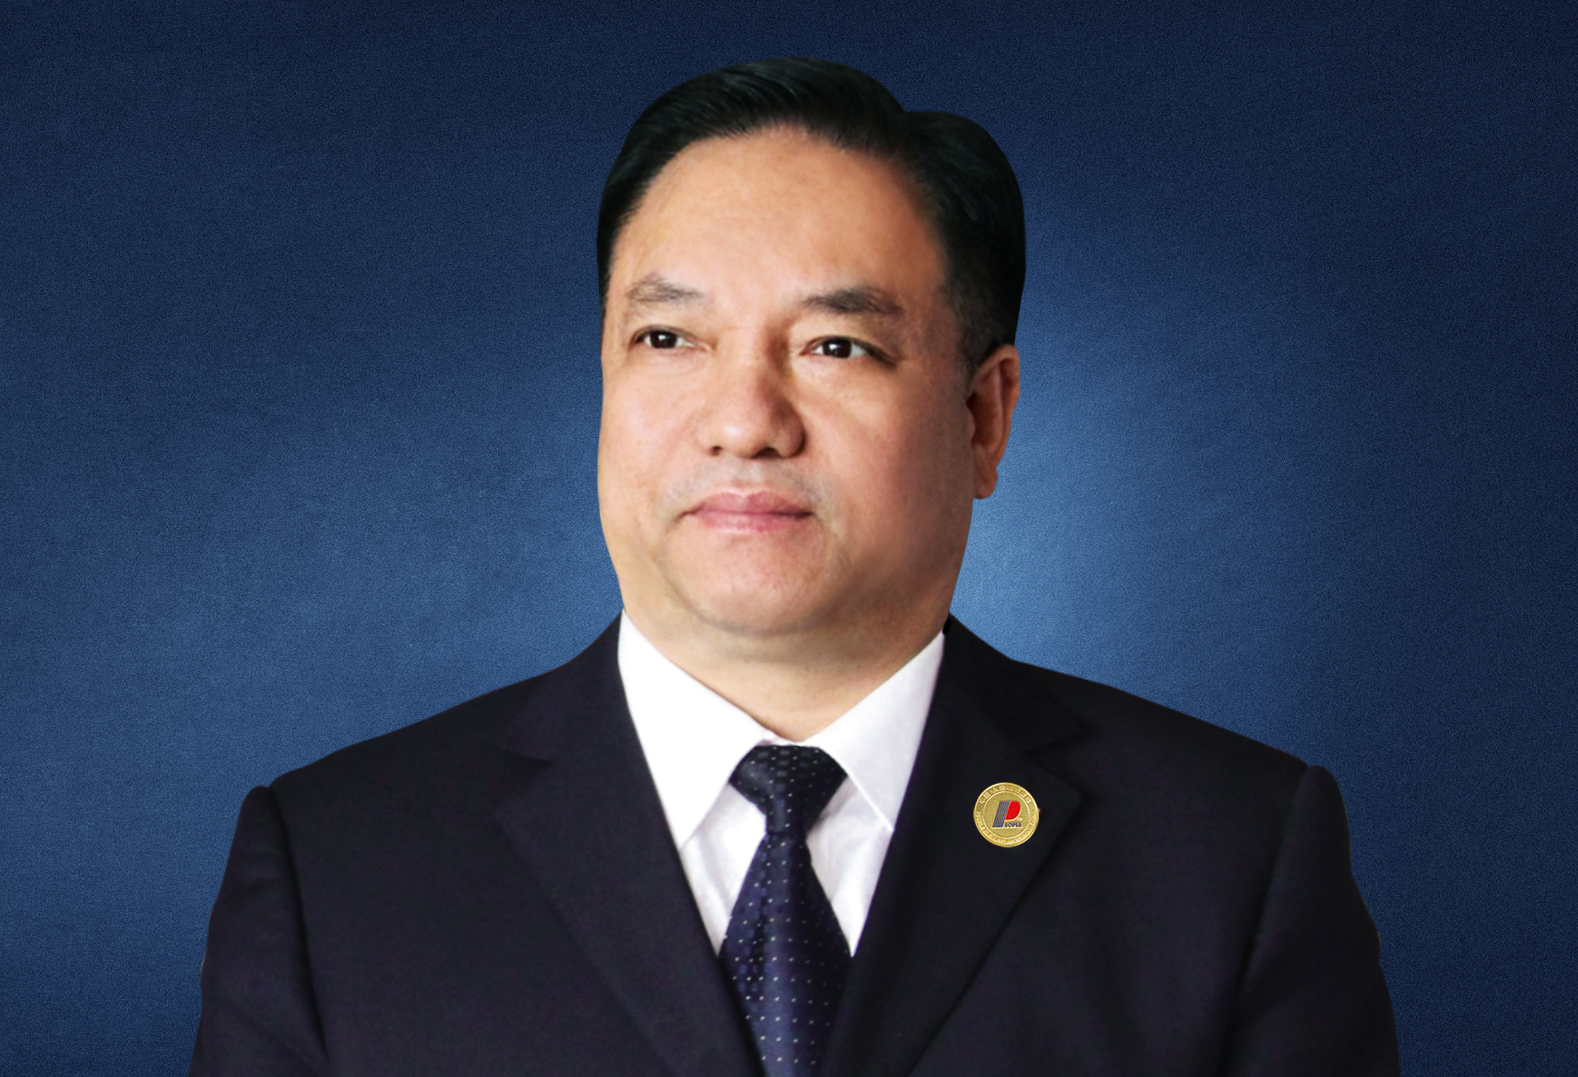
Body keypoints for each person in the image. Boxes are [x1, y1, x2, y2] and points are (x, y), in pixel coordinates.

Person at [191, 57, 1398, 1076]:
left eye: (836, 346)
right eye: (669, 337)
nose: (744, 421)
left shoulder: (1230, 857)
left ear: (984, 416)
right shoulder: (336, 866)